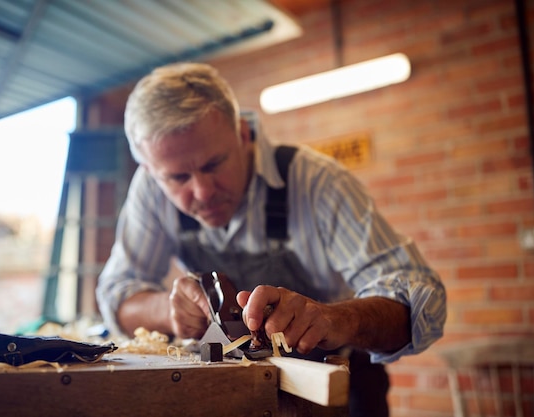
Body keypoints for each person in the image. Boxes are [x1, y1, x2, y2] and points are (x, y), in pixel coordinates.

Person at [96, 62, 446, 416]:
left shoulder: (317, 183)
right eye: (178, 178)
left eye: (214, 164)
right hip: (230, 390)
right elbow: (117, 293)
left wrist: (336, 319)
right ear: (151, 169)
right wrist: (168, 312)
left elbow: (421, 301)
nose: (201, 192)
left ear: (243, 134)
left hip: (336, 387)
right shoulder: (150, 190)